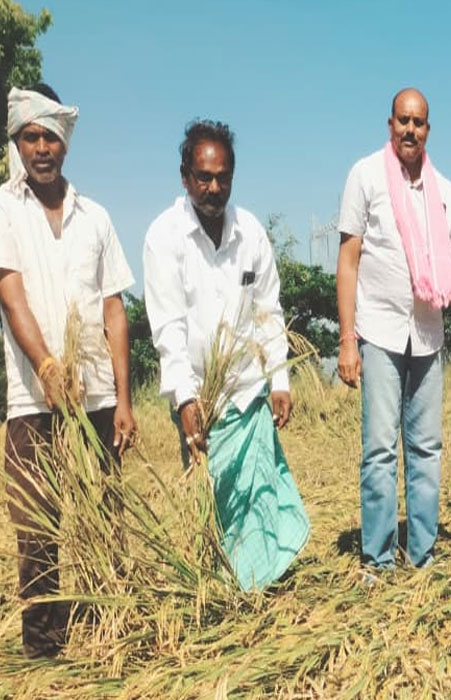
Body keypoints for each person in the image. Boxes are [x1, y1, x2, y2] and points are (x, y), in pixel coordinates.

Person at [337, 88, 451, 570]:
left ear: (428, 130)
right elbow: (349, 259)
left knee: (425, 448)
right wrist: (346, 339)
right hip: (378, 330)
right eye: (403, 120)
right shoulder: (365, 176)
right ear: (389, 124)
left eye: (419, 123)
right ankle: (377, 559)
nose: (410, 130)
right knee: (380, 448)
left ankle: (421, 555)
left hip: (426, 334)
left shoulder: (446, 193)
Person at [144, 119, 310, 591]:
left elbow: (268, 311)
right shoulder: (164, 236)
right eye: (203, 177)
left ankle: (259, 586)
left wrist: (279, 380)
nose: (213, 188)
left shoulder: (251, 232)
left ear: (233, 176)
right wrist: (184, 398)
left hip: (247, 390)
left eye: (222, 178)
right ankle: (219, 588)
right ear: (184, 176)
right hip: (199, 397)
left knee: (258, 495)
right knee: (214, 499)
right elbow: (168, 327)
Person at [0, 84, 136, 658]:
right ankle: (45, 646)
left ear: (66, 141)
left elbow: (113, 308)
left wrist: (124, 398)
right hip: (34, 397)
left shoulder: (96, 217)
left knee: (107, 510)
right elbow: (11, 294)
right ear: (17, 142)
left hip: (97, 394)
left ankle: (116, 624)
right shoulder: (4, 210)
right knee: (37, 522)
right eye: (31, 136)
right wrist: (48, 366)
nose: (42, 147)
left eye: (51, 136)